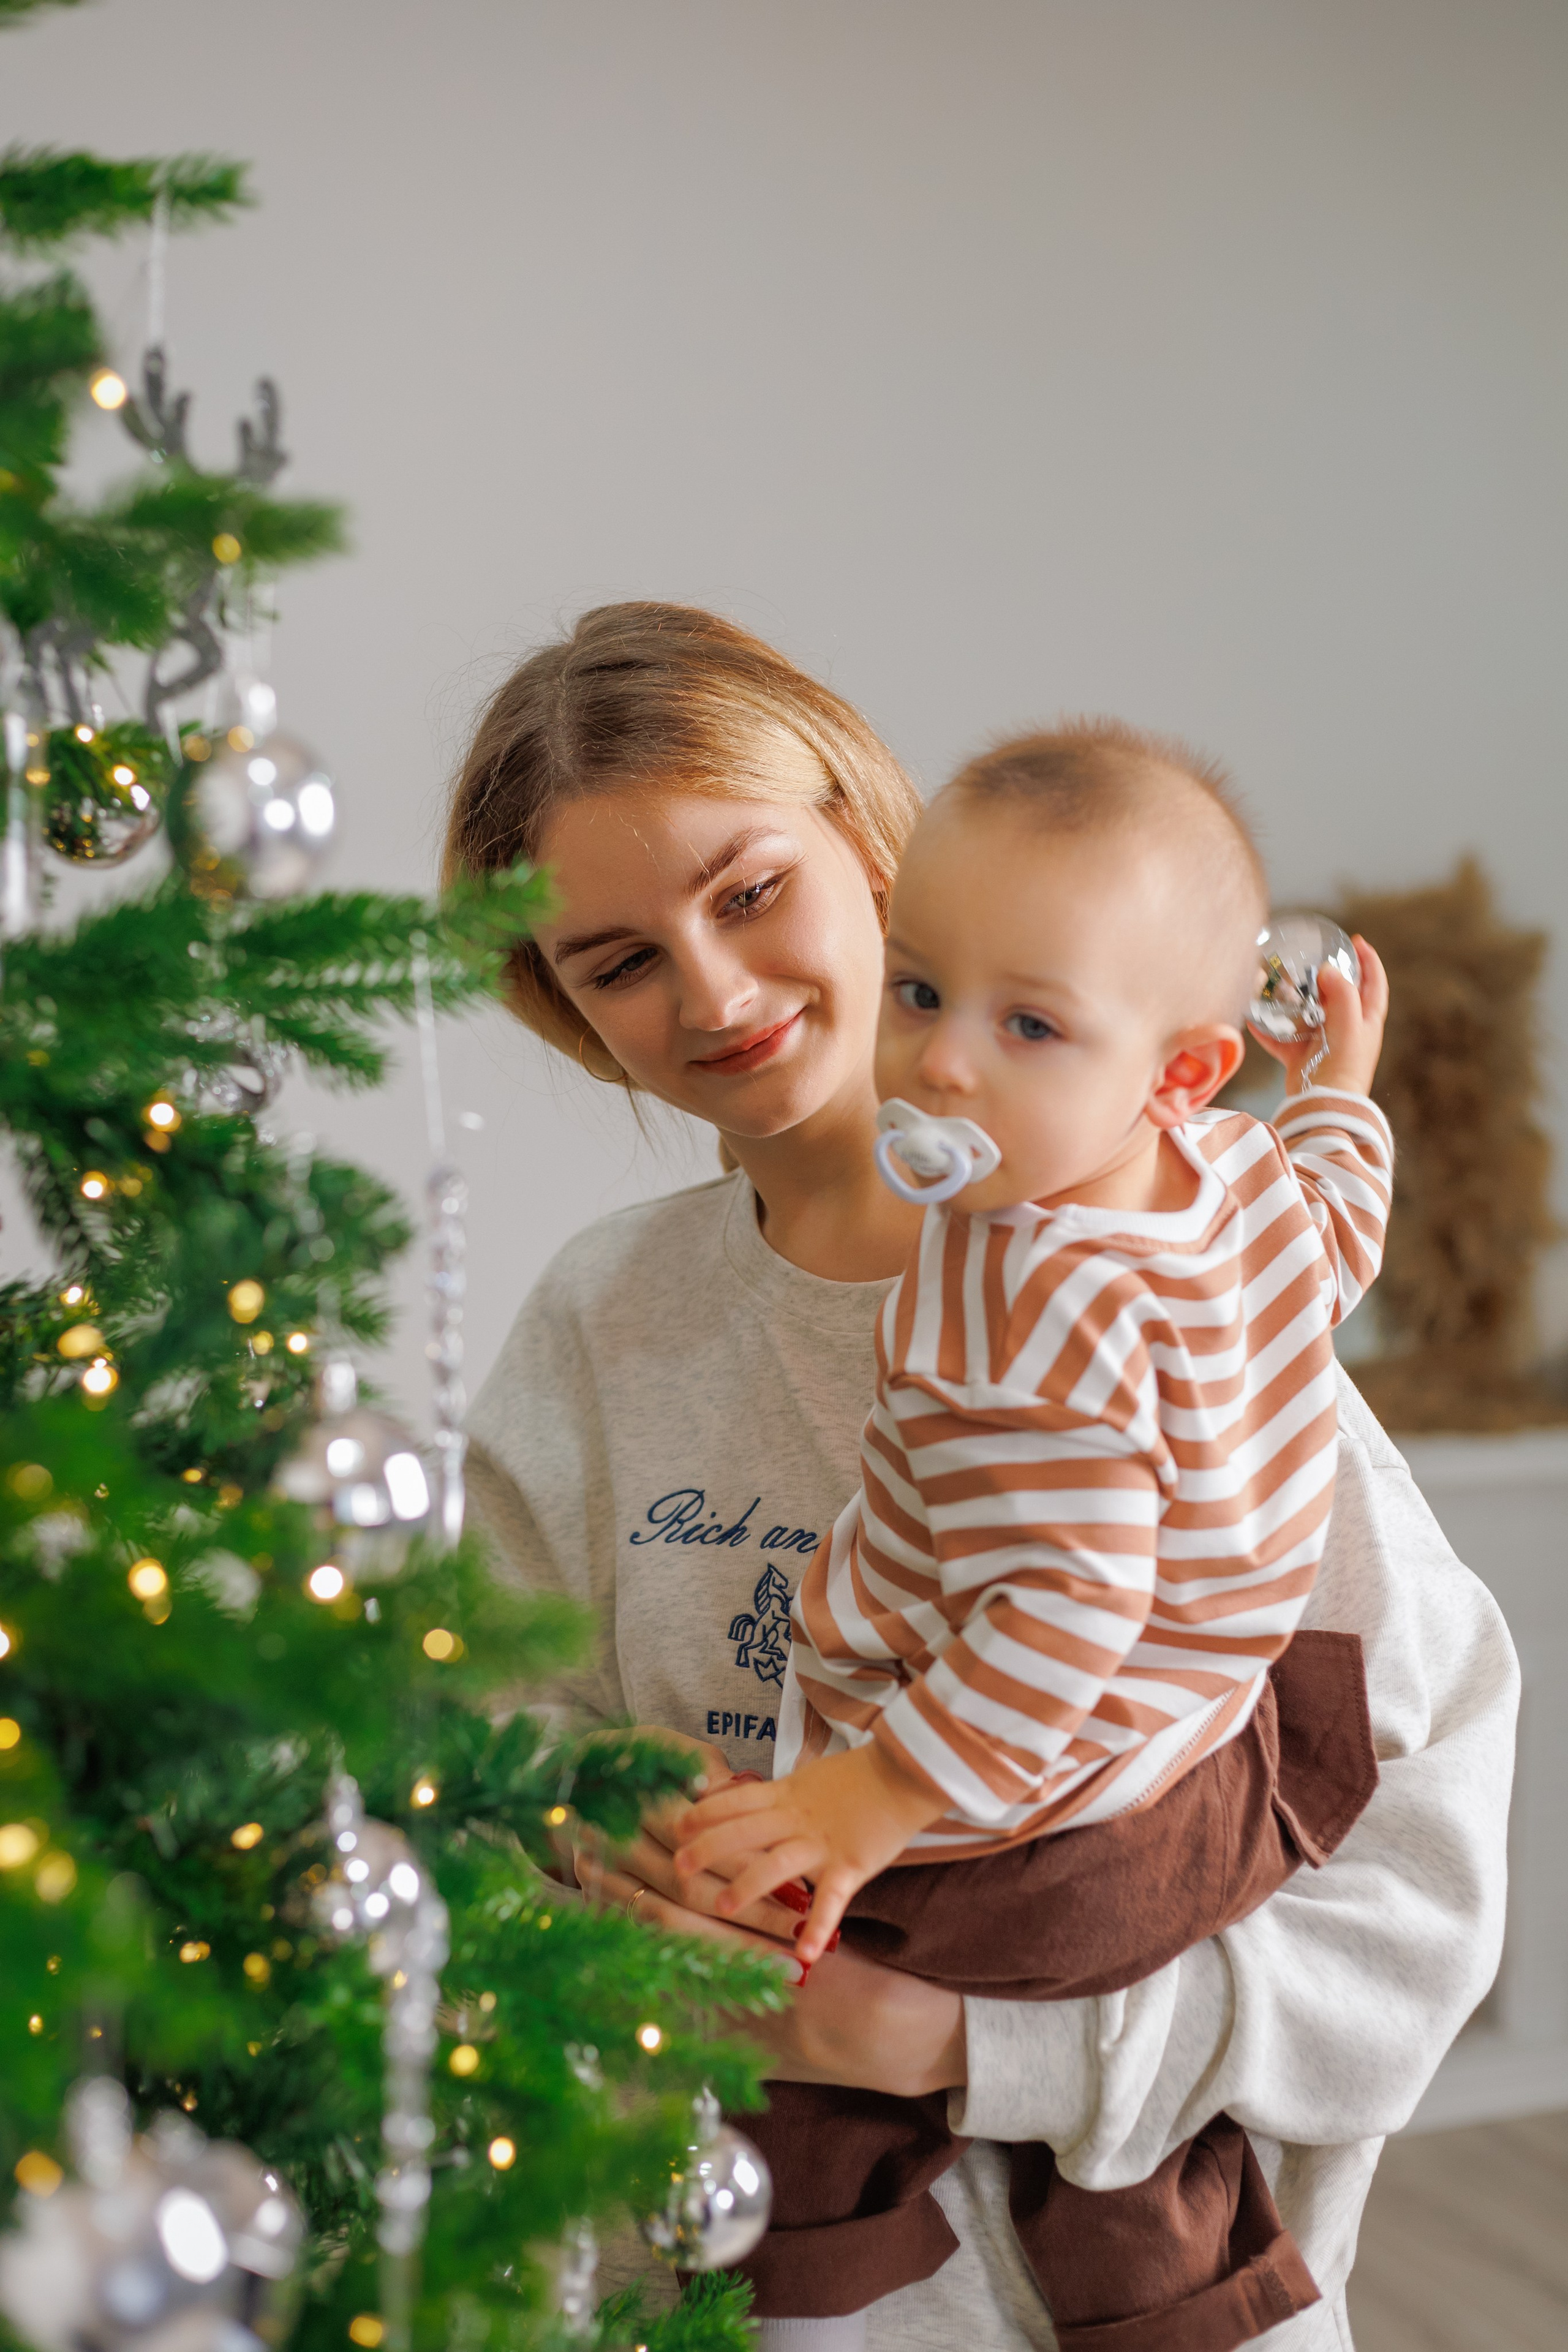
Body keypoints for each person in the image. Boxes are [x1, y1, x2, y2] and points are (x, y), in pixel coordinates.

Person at [448, 603, 1517, 2352]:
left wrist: (958, 2042)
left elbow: (1419, 1914)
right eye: (616, 961)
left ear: (880, 856)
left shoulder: (1170, 1292)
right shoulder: (602, 1318)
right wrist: (590, 1830)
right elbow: (472, 1758)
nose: (711, 992)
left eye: (746, 891)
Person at [673, 723, 1393, 2347]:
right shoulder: (1230, 1173)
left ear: (1177, 1068)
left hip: (1056, 1823)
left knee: (779, 1989)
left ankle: (824, 2274)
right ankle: (1186, 2298)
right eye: (922, 992)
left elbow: (1059, 1617)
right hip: (1223, 1748)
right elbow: (1340, 1229)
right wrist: (1338, 1090)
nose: (943, 1067)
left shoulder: (1023, 1313)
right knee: (1133, 2159)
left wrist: (868, 1799)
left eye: (1031, 1025)